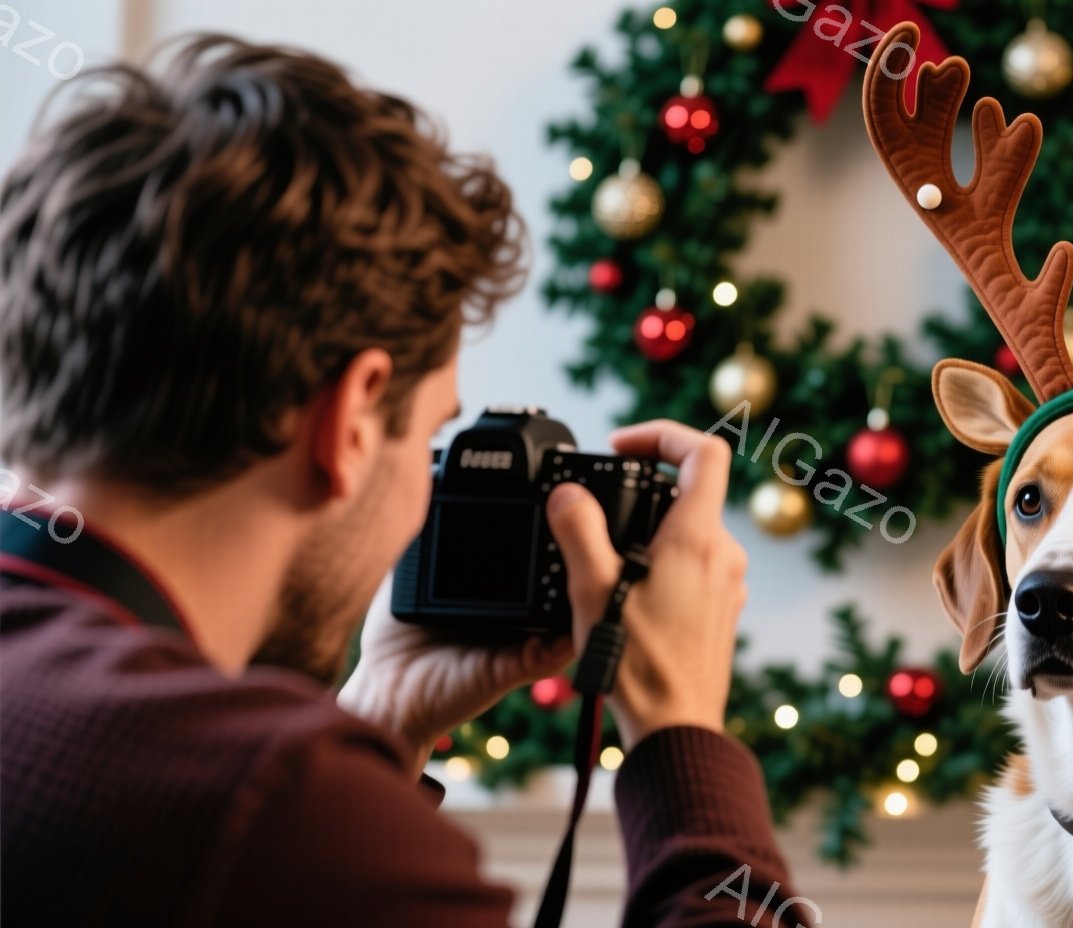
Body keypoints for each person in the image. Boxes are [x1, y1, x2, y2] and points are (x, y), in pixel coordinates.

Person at [0, 34, 813, 927]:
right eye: (434, 435)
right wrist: (679, 731)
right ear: (352, 419)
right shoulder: (267, 804)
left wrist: (375, 727)